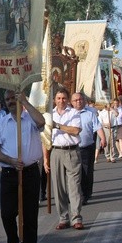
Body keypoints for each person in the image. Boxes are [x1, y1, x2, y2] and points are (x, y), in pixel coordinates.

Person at [0, 89, 45, 243]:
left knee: (30, 216)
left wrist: (26, 103)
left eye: (14, 98)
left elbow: (42, 121)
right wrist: (11, 161)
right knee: (7, 214)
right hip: (9, 174)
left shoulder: (30, 120)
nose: (11, 101)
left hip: (29, 172)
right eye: (8, 99)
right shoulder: (1, 123)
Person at [49, 89, 84, 230]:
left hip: (71, 151)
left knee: (74, 186)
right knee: (58, 187)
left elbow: (75, 130)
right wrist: (45, 159)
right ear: (54, 100)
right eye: (58, 98)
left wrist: (57, 125)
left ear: (68, 99)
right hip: (56, 151)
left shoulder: (74, 113)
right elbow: (44, 136)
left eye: (64, 98)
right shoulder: (49, 114)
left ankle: (76, 218)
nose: (61, 101)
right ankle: (63, 218)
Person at [72, 93, 105, 205]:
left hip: (87, 147)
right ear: (71, 102)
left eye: (80, 99)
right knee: (74, 173)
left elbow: (98, 127)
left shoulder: (90, 113)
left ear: (84, 100)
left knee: (86, 172)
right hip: (72, 148)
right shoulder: (69, 114)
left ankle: (86, 194)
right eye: (75, 100)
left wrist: (103, 138)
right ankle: (76, 194)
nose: (78, 102)